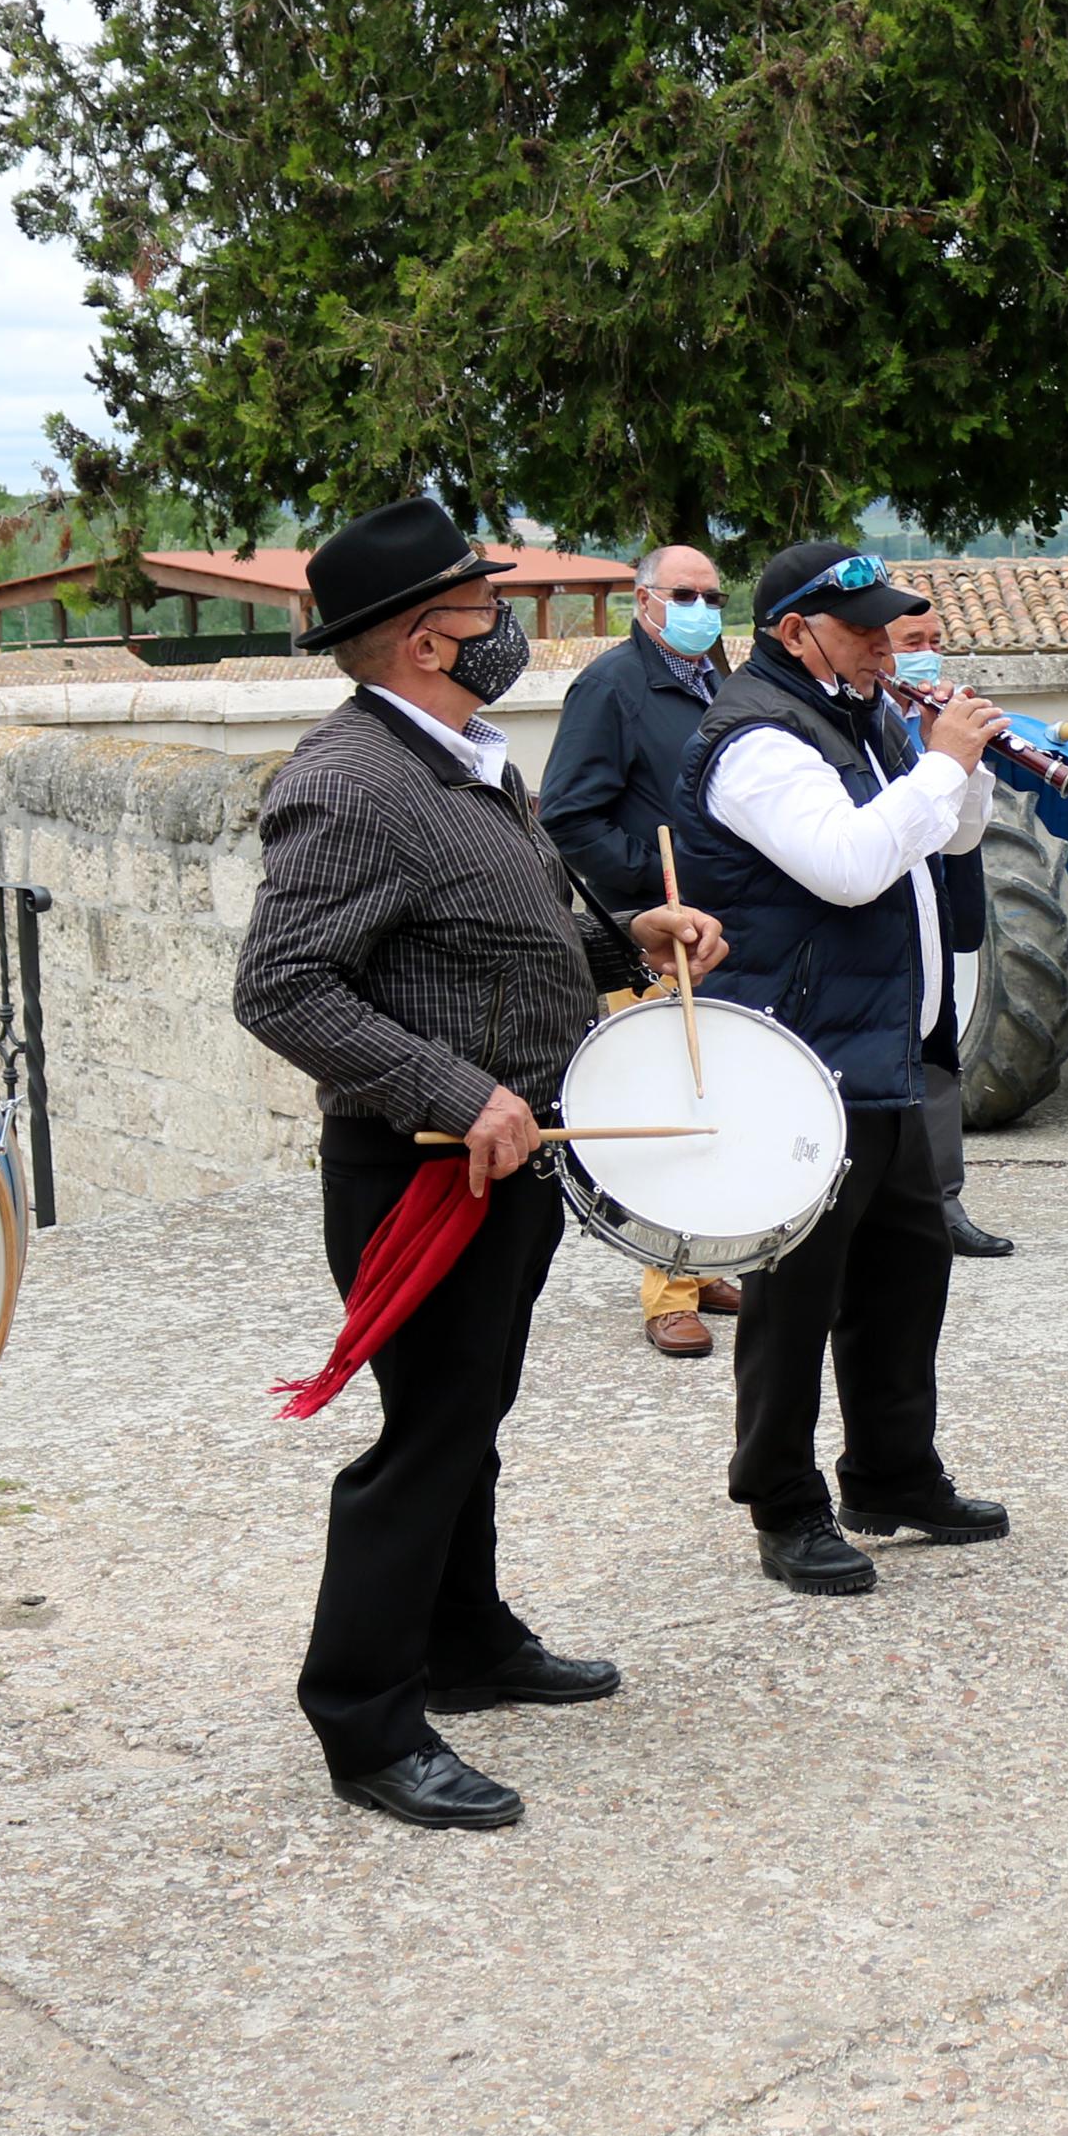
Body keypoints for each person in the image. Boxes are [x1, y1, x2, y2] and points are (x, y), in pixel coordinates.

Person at [231, 499, 727, 1831]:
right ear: (423, 638)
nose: (506, 626)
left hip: (503, 1161)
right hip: (421, 1167)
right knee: (427, 1436)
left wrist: (631, 938)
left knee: (469, 1414)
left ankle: (465, 1639)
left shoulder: (460, 758)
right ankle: (365, 1718)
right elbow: (280, 985)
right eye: (484, 606)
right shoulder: (350, 780)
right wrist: (453, 1090)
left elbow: (498, 942)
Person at [669, 543, 1012, 1595]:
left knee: (905, 1275)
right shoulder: (756, 740)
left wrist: (962, 762)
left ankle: (891, 1471)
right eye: (862, 628)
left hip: (880, 1048)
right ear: (793, 631)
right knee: (795, 1295)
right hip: (805, 1057)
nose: (883, 647)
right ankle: (781, 1500)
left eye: (885, 626)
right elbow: (852, 867)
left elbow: (947, 838)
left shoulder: (858, 713)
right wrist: (939, 763)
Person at [543, 541, 750, 1359]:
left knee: (721, 1097)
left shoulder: (717, 681)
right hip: (651, 932)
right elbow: (568, 815)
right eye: (683, 594)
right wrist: (653, 889)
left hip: (722, 927)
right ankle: (667, 1291)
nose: (701, 608)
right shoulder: (610, 686)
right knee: (671, 1105)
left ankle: (704, 1262)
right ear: (644, 600)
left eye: (712, 595)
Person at [884, 602, 1013, 1261]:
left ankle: (944, 1201)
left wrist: (968, 756)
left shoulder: (935, 714)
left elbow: (964, 834)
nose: (928, 654)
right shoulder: (863, 718)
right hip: (879, 913)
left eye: (935, 640)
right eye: (913, 641)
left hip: (935, 905)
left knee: (939, 1052)